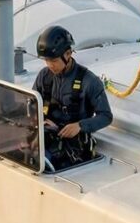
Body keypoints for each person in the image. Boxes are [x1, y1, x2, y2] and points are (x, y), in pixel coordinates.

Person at [33, 25, 113, 170]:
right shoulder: (44, 76)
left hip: (74, 148)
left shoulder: (90, 81)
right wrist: (40, 121)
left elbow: (106, 116)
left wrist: (79, 126)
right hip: (46, 137)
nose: (50, 65)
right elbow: (31, 105)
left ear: (68, 54)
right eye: (46, 60)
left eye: (54, 60)